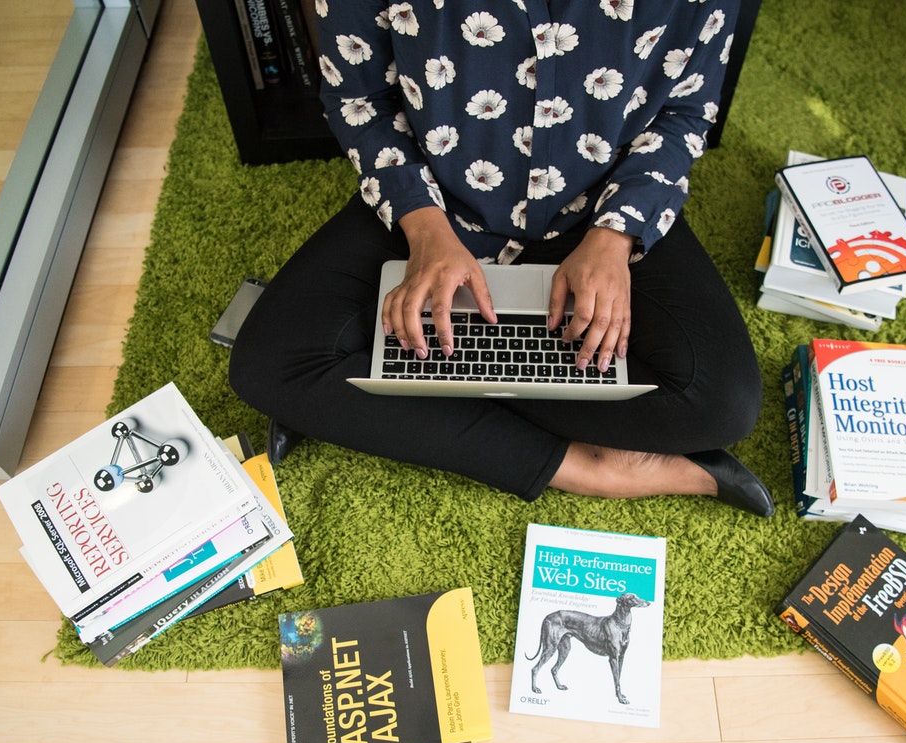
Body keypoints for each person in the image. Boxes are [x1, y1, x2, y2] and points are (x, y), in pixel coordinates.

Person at [229, 0, 774, 517]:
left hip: (599, 207)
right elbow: (359, 100)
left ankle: (364, 400)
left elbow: (684, 112)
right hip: (435, 203)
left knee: (722, 402)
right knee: (270, 362)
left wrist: (614, 238)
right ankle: (591, 466)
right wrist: (425, 229)